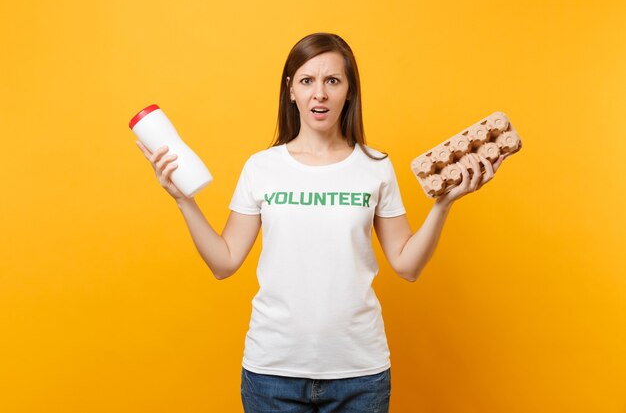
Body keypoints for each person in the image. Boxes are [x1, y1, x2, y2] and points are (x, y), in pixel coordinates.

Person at [136, 32, 507, 413]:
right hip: (271, 375)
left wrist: (442, 205)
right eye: (307, 81)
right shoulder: (262, 167)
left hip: (360, 376)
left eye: (333, 81)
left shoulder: (374, 167)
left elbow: (407, 266)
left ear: (349, 91)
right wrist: (184, 200)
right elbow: (224, 262)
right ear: (291, 90)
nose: (320, 94)